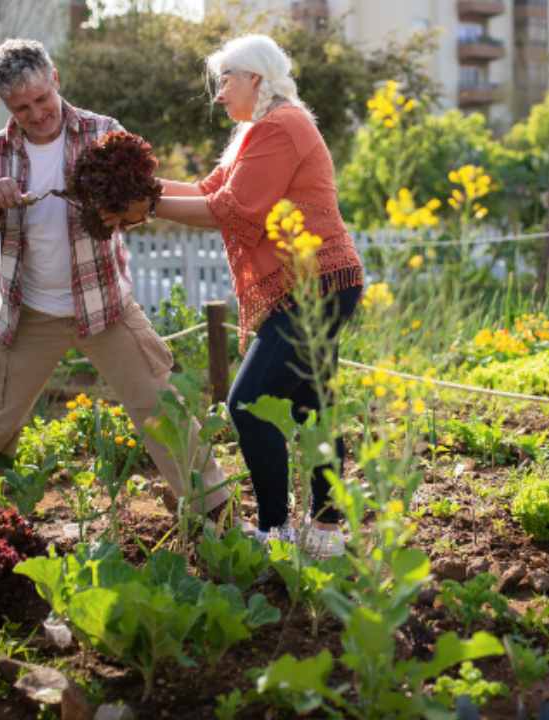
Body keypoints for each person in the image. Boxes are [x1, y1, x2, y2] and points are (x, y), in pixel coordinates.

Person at [0, 38, 228, 520]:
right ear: (5, 106)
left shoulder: (103, 133)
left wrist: (123, 207)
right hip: (28, 312)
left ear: (55, 79)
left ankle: (213, 511)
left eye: (41, 99)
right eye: (22, 108)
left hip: (106, 307)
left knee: (162, 406)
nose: (36, 114)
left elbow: (140, 207)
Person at [134, 34, 364, 558]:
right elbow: (208, 189)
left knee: (248, 402)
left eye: (225, 81)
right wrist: (141, 186)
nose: (218, 95)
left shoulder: (281, 126)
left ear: (255, 78)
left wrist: (145, 204)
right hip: (317, 283)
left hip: (314, 285)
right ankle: (326, 532)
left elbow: (233, 209)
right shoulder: (259, 130)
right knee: (312, 405)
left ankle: (275, 530)